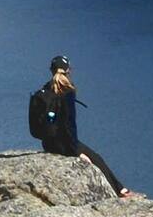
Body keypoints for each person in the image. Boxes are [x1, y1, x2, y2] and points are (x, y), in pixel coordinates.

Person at [36, 55, 135, 198]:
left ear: (51, 70)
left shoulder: (45, 89)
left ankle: (119, 189)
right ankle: (120, 191)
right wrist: (76, 151)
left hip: (47, 143)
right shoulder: (67, 90)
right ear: (68, 70)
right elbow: (69, 124)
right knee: (97, 159)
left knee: (93, 156)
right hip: (64, 144)